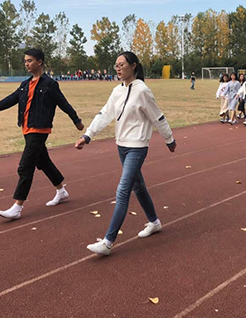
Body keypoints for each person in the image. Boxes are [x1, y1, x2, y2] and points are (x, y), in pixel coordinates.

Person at [75, 52, 175, 256]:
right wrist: (88, 135)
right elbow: (105, 114)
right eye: (116, 65)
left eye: (122, 64)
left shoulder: (142, 91)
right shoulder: (117, 91)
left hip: (137, 146)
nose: (118, 68)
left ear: (133, 65)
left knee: (123, 191)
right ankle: (154, 221)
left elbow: (158, 117)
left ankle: (108, 242)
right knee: (138, 186)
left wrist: (169, 139)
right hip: (121, 145)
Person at [0, 49, 84, 220]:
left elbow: (63, 103)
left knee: (25, 167)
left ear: (40, 62)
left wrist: (76, 120)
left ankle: (17, 207)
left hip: (40, 129)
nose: (27, 64)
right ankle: (61, 191)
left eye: (30, 60)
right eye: (25, 61)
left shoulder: (49, 84)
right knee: (43, 162)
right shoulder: (25, 84)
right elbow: (12, 98)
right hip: (26, 128)